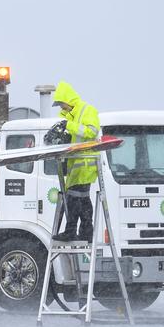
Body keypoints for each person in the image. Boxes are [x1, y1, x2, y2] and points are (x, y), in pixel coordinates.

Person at [50, 81, 101, 242]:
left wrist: (70, 126)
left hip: (85, 164)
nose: (61, 108)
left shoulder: (87, 110)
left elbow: (92, 131)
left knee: (73, 198)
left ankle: (72, 230)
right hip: (76, 165)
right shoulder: (67, 116)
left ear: (68, 100)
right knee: (82, 199)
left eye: (62, 104)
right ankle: (86, 231)